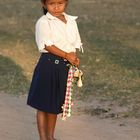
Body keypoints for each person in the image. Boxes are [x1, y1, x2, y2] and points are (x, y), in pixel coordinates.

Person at [27, 0, 83, 140]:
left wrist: (73, 58)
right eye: (52, 3)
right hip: (49, 65)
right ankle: (43, 137)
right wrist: (66, 55)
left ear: (66, 3)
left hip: (64, 66)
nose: (56, 6)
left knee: (54, 105)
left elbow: (74, 44)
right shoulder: (44, 22)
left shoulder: (71, 21)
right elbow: (47, 45)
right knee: (43, 104)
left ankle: (51, 137)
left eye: (60, 3)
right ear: (44, 4)